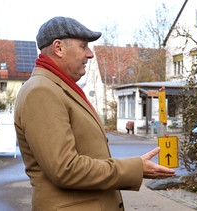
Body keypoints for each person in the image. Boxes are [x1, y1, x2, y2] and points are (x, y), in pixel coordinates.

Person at [14, 16, 176, 211]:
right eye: (83, 46)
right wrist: (135, 168)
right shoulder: (42, 91)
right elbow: (66, 169)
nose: (90, 54)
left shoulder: (59, 87)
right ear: (58, 48)